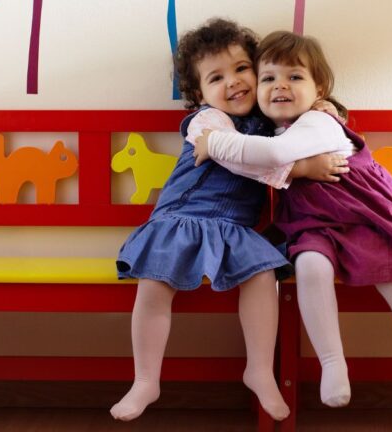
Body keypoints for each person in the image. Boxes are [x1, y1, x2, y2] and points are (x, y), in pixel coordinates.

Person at [194, 30, 392, 408]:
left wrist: (215, 142)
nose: (280, 86)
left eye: (294, 77)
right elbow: (261, 159)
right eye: (269, 78)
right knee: (309, 265)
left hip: (361, 218)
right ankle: (332, 364)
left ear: (318, 89)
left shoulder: (318, 123)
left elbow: (276, 155)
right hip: (313, 226)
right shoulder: (274, 127)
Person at [111, 19, 346, 422]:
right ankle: (146, 379)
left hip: (234, 230)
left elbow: (300, 118)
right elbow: (243, 161)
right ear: (199, 94)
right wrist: (303, 168)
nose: (234, 82)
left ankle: (258, 369)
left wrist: (326, 108)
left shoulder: (269, 122)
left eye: (242, 69)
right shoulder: (207, 124)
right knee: (154, 285)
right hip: (181, 220)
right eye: (216, 77)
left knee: (262, 278)